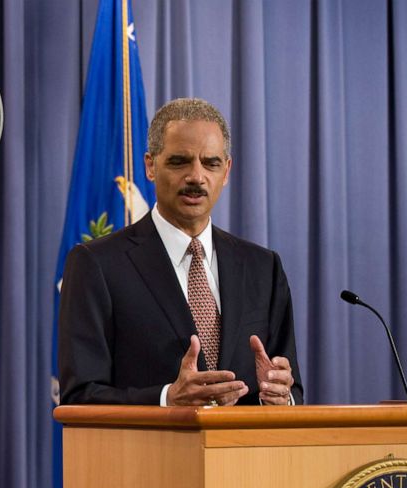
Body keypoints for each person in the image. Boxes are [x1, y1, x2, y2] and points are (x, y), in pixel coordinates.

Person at [58, 97, 303, 406]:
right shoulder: (97, 265)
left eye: (211, 163)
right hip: (148, 453)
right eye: (179, 161)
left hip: (243, 453)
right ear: (150, 165)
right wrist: (166, 399)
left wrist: (282, 398)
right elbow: (80, 396)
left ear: (226, 171)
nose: (196, 177)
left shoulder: (263, 267)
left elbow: (292, 388)